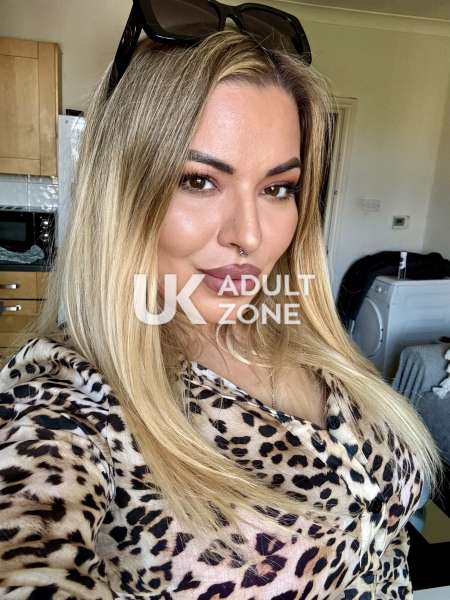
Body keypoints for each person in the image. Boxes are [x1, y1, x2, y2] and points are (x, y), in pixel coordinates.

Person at [0, 2, 444, 598]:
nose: (250, 236)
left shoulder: (306, 340)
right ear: (122, 194)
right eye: (199, 181)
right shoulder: (66, 397)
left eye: (278, 188)